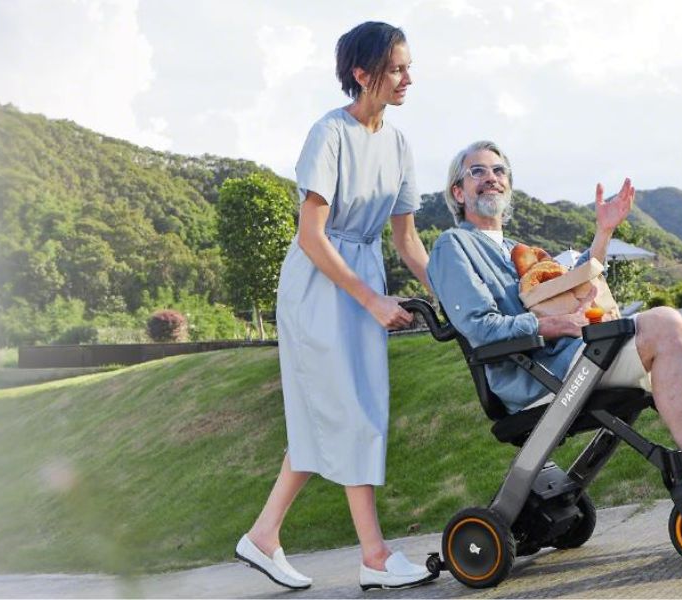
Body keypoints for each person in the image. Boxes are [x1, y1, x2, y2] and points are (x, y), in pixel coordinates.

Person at [427, 140, 682, 522]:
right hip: (540, 377)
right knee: (664, 321)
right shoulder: (452, 247)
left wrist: (603, 233)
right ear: (458, 192)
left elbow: (574, 286)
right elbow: (481, 328)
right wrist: (553, 324)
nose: (492, 177)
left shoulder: (516, 247)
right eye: (477, 171)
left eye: (500, 170)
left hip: (578, 359)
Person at [234, 22, 434, 591]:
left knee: (336, 411)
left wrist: (453, 292)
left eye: (407, 67)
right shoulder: (329, 134)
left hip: (363, 273)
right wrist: (371, 299)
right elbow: (312, 237)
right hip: (319, 286)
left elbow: (408, 241)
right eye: (396, 68)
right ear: (362, 74)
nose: (407, 79)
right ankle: (374, 556)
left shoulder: (397, 143)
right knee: (348, 410)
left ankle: (264, 535)